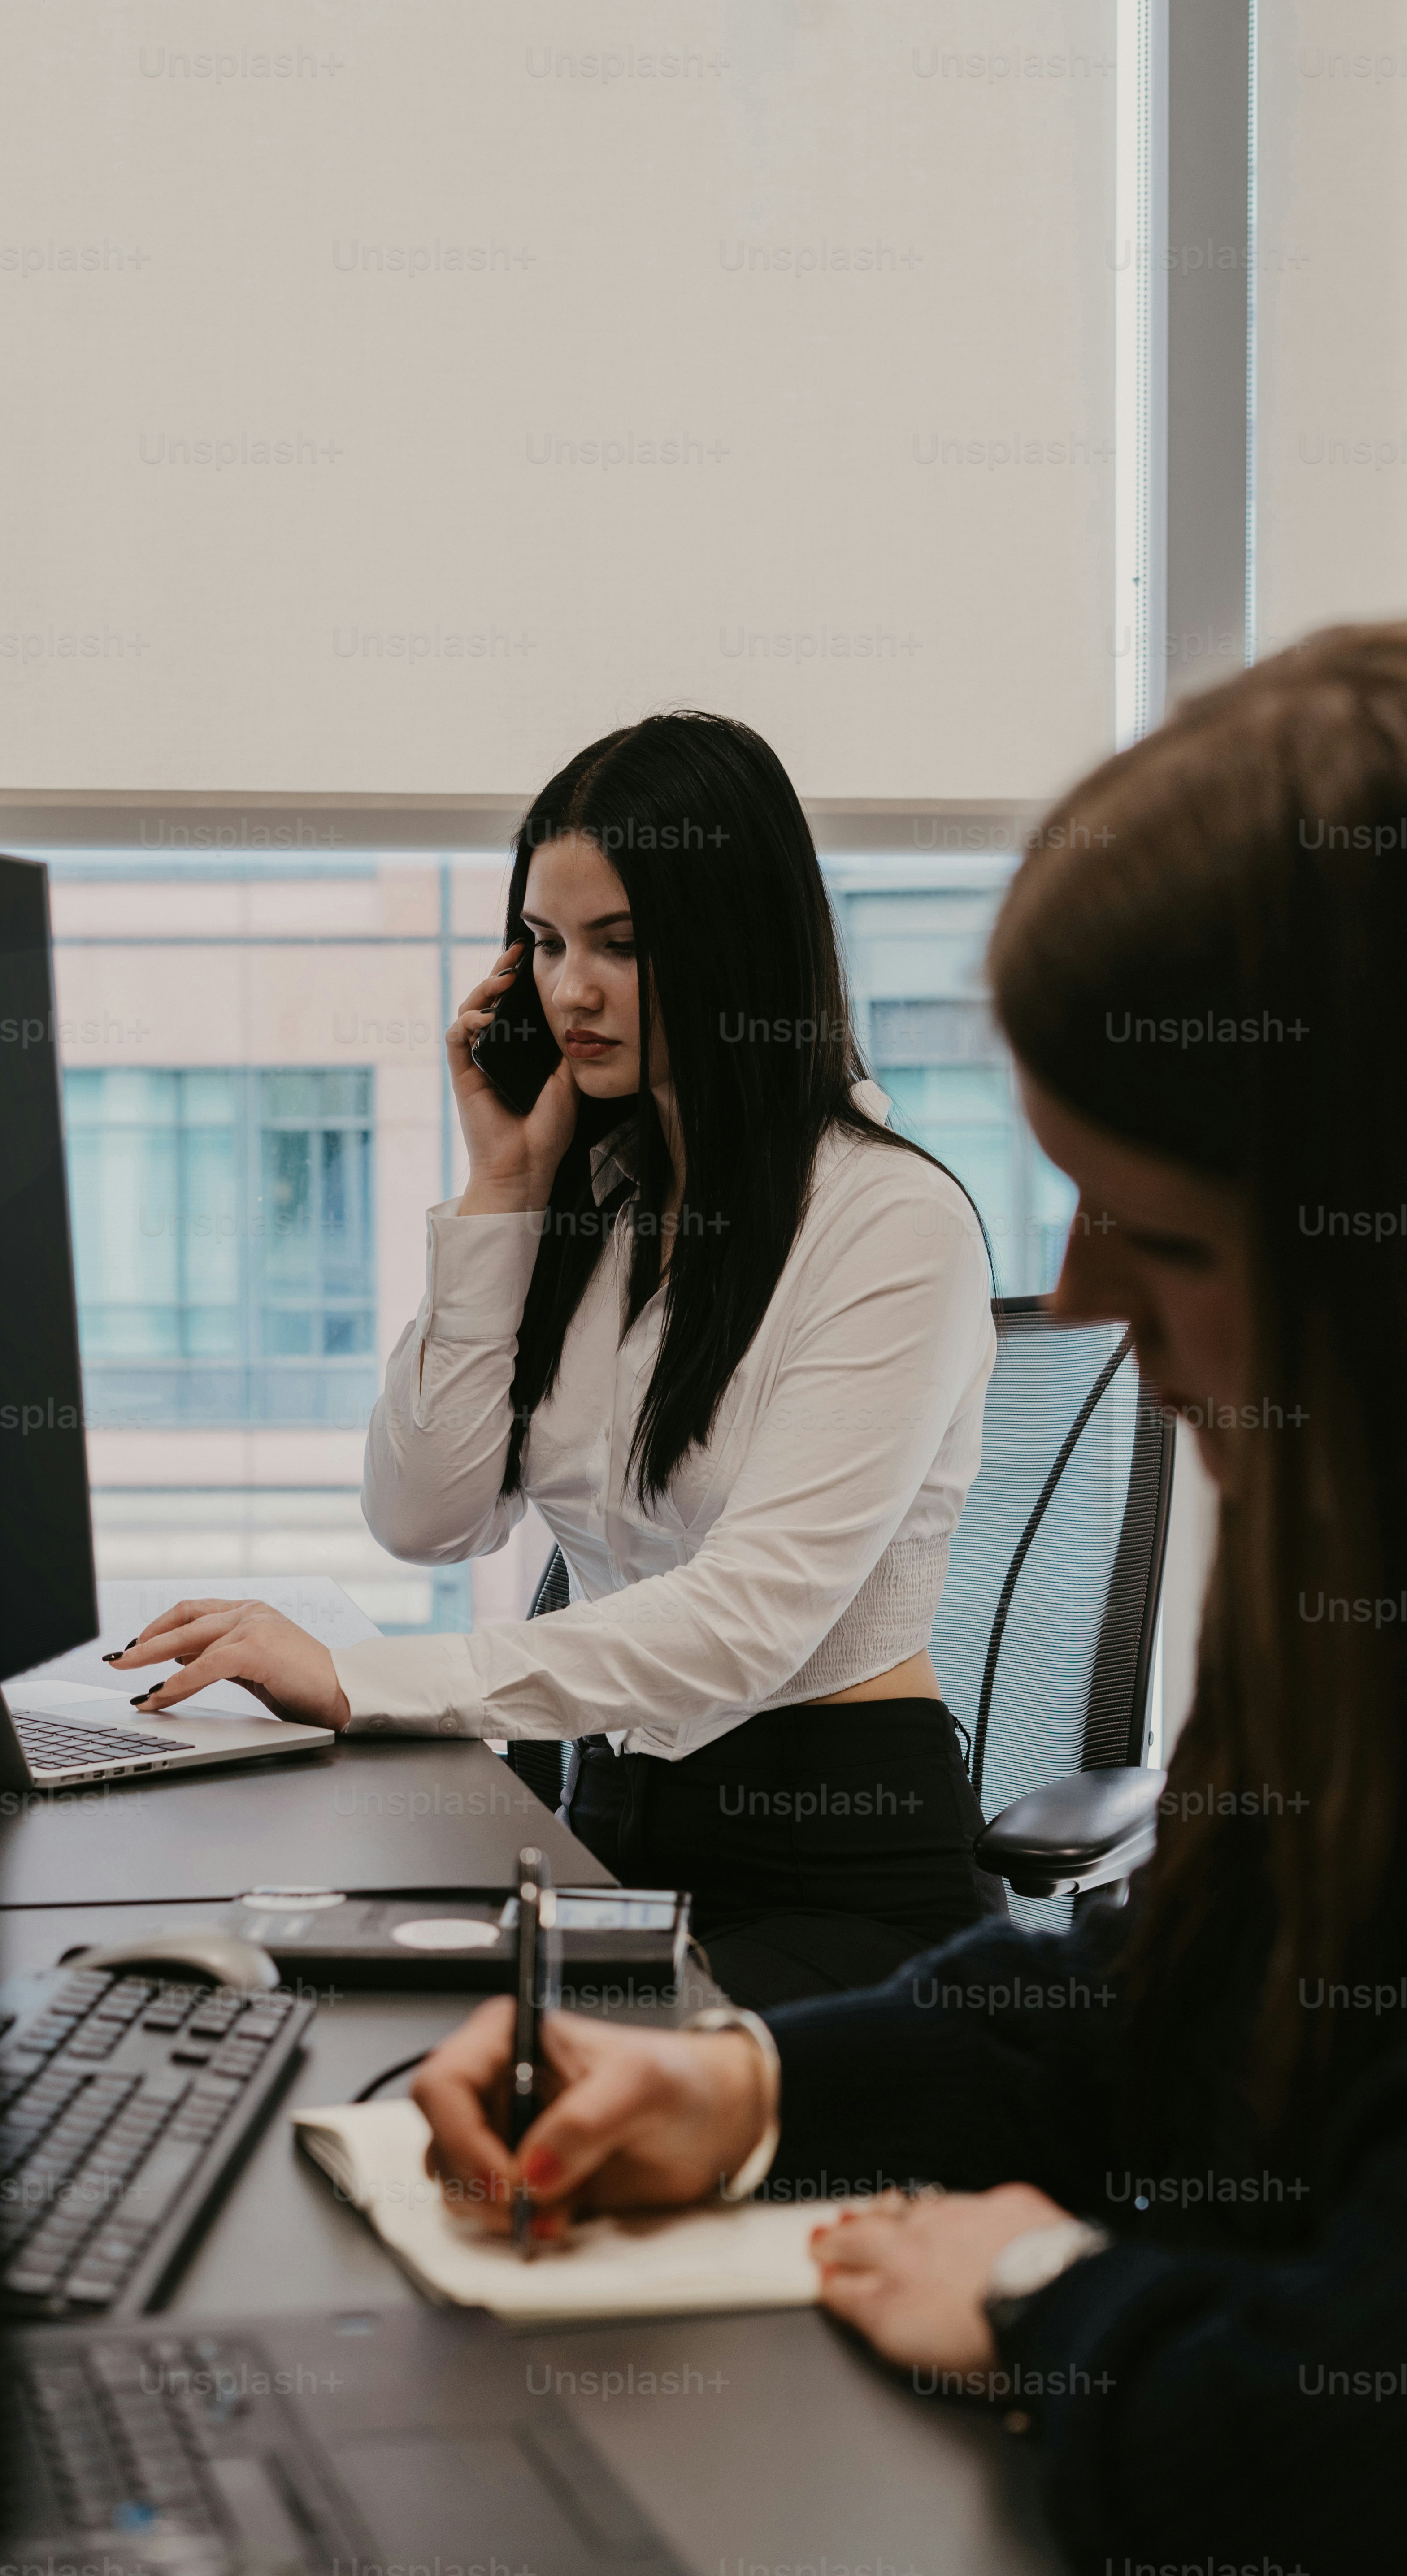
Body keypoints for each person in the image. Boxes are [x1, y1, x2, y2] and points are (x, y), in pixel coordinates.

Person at [397, 626, 1407, 2566]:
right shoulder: (1333, 1616)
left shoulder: (879, 1222)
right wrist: (748, 2084)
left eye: (1172, 1234)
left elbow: (1339, 2419)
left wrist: (1040, 2290)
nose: (1093, 1312)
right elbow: (1155, 1983)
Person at [107, 711, 1004, 2005]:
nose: (567, 990)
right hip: (603, 1838)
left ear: (737, 942)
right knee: (298, 2006)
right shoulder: (603, 1202)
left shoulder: (889, 1224)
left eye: (621, 946)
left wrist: (364, 1680)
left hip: (832, 1879)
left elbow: (746, 1622)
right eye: (542, 942)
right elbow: (426, 1516)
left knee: (482, 2112)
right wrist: (504, 1193)